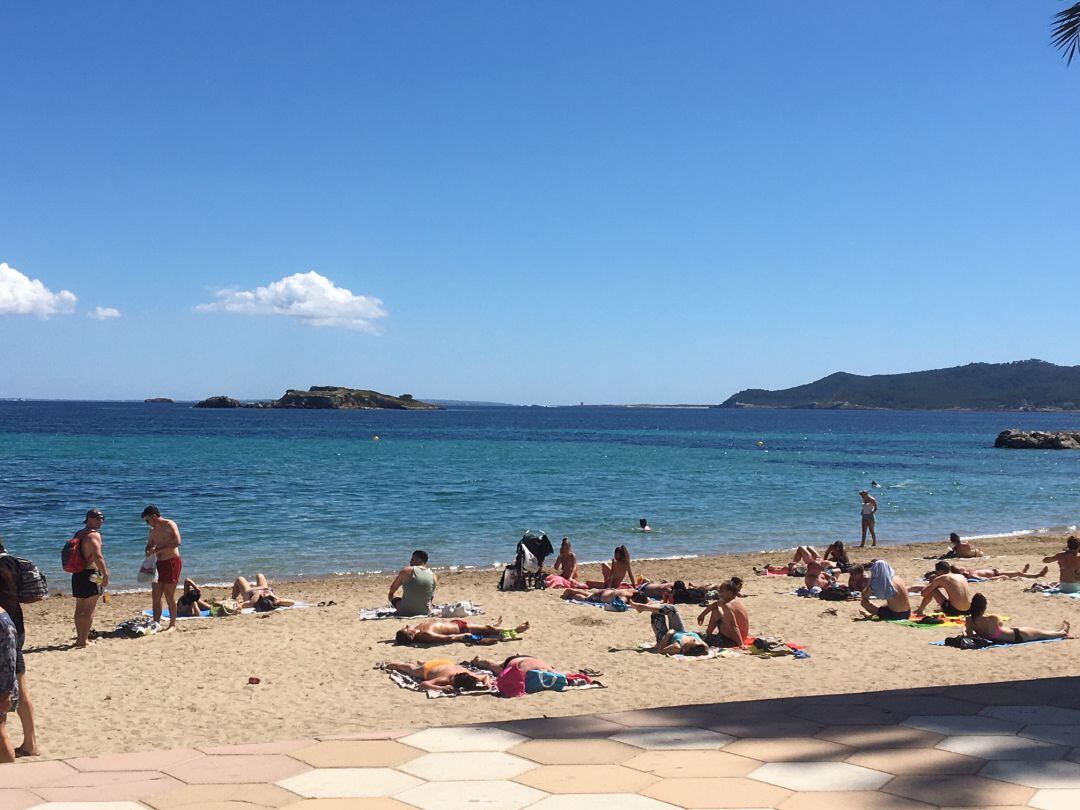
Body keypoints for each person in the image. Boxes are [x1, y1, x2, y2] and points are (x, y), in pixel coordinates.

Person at [0, 540, 37, 757]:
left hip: (4, 629)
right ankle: (30, 742)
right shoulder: (14, 563)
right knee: (22, 687)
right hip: (15, 626)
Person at [965, 593, 1071, 644]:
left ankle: (1059, 632)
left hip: (1013, 636)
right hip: (1016, 635)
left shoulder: (969, 621)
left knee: (1042, 633)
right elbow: (1000, 625)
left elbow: (970, 636)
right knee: (1041, 634)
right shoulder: (992, 618)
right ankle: (1063, 632)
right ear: (984, 607)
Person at [72, 508, 109, 648]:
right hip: (91, 574)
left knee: (79, 607)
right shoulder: (94, 535)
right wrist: (105, 574)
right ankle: (84, 640)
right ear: (90, 519)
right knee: (89, 609)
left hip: (77, 574)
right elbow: (98, 556)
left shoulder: (79, 533)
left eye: (102, 518)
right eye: (99, 518)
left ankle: (79, 638)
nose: (102, 521)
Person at [142, 505, 182, 631]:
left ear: (154, 516)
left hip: (171, 561)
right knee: (156, 594)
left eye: (147, 520)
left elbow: (177, 542)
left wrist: (158, 549)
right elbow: (149, 546)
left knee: (169, 594)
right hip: (158, 563)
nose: (147, 523)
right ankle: (156, 623)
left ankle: (172, 625)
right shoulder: (152, 531)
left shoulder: (169, 524)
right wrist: (148, 551)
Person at [630, 601, 709, 656]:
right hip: (680, 631)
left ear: (688, 648)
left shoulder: (677, 647)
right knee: (672, 609)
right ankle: (643, 607)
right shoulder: (700, 645)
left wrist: (668, 634)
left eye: (694, 642)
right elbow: (706, 648)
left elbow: (661, 650)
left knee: (657, 615)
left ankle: (644, 607)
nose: (695, 640)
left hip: (665, 638)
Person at [394, 616, 530, 645]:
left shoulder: (418, 629)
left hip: (455, 623)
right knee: (488, 630)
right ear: (410, 634)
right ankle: (515, 630)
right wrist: (463, 635)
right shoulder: (425, 635)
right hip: (461, 629)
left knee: (487, 628)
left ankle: (494, 625)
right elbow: (447, 639)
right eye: (406, 628)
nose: (407, 626)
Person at [383, 659, 491, 694]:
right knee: (412, 670)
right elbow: (423, 684)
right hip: (429, 668)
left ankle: (422, 661)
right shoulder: (446, 679)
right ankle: (392, 664)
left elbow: (485, 676)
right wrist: (441, 687)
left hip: (446, 663)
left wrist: (487, 683)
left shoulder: (470, 675)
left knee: (419, 665)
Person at [697, 579, 749, 647]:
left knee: (699, 638)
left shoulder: (727, 606)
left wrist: (741, 644)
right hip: (740, 637)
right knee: (715, 610)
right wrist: (702, 615)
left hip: (731, 640)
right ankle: (708, 634)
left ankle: (707, 636)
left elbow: (734, 625)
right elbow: (714, 604)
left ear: (729, 592)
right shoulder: (734, 601)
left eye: (721, 590)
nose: (719, 592)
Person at [387, 550, 437, 616]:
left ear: (418, 560)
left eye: (412, 560)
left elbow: (392, 589)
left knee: (392, 596)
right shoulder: (433, 576)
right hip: (424, 612)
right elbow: (430, 597)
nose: (410, 562)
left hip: (405, 611)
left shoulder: (406, 571)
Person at [230, 574, 295, 611]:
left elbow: (244, 604)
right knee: (260, 575)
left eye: (264, 596)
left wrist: (239, 606)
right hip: (263, 587)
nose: (265, 594)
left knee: (240, 579)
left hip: (249, 592)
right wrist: (277, 600)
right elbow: (292, 602)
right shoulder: (275, 600)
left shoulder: (254, 601)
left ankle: (233, 597)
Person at [950, 563, 1048, 581]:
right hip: (996, 574)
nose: (961, 566)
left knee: (1017, 573)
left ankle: (1024, 572)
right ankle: (1038, 575)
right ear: (958, 572)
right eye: (959, 567)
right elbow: (984, 579)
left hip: (994, 570)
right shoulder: (970, 575)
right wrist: (998, 577)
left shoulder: (968, 571)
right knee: (1017, 573)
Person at [561, 586, 636, 604]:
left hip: (608, 590)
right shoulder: (625, 598)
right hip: (600, 597)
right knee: (586, 599)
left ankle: (574, 590)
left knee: (589, 594)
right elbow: (618, 604)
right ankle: (571, 595)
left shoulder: (631, 591)